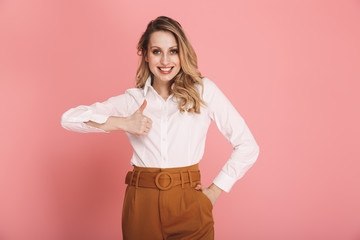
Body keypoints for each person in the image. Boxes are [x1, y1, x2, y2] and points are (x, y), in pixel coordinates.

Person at [61, 16, 260, 240]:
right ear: (145, 55)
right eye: (157, 51)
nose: (165, 60)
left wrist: (214, 191)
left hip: (189, 203)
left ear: (182, 53)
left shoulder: (204, 91)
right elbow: (69, 119)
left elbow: (247, 146)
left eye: (173, 51)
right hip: (141, 205)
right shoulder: (133, 100)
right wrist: (123, 123)